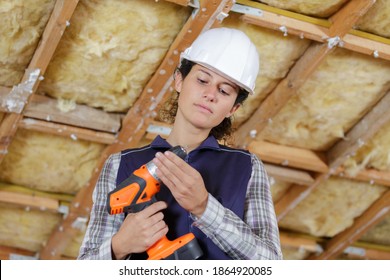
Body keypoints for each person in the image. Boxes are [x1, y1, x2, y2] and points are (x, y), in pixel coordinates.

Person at [78, 27, 283, 260]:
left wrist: (205, 207)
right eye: (203, 80)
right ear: (179, 80)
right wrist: (119, 246)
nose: (210, 94)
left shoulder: (246, 167)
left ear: (233, 108)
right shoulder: (121, 164)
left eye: (224, 91)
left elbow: (271, 262)